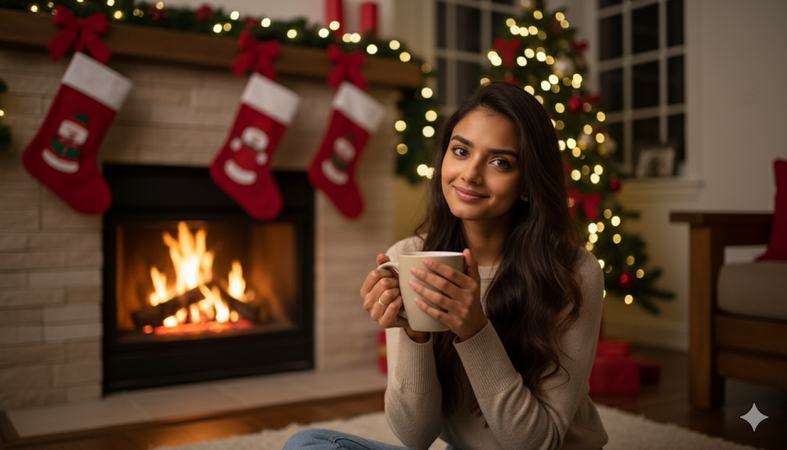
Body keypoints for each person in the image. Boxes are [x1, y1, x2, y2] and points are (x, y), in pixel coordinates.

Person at [283, 82, 608, 450]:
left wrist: (473, 329)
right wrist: (414, 334)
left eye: (499, 162)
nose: (470, 174)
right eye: (461, 151)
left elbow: (536, 444)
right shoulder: (408, 256)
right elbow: (415, 436)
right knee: (308, 444)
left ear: (527, 183)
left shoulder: (573, 272)